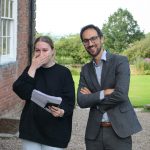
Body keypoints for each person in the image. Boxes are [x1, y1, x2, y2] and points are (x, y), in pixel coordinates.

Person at [77, 24, 142, 150]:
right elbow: (81, 101)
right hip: (94, 134)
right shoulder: (85, 70)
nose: (90, 44)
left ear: (102, 39)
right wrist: (104, 92)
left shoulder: (120, 61)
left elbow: (121, 94)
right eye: (85, 41)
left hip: (119, 132)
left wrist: (94, 99)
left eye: (93, 38)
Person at [13, 36, 75, 150]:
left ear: (53, 51)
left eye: (45, 50)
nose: (41, 53)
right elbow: (21, 92)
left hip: (55, 130)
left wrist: (62, 111)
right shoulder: (31, 69)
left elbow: (70, 101)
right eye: (37, 50)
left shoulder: (64, 73)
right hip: (31, 128)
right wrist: (33, 68)